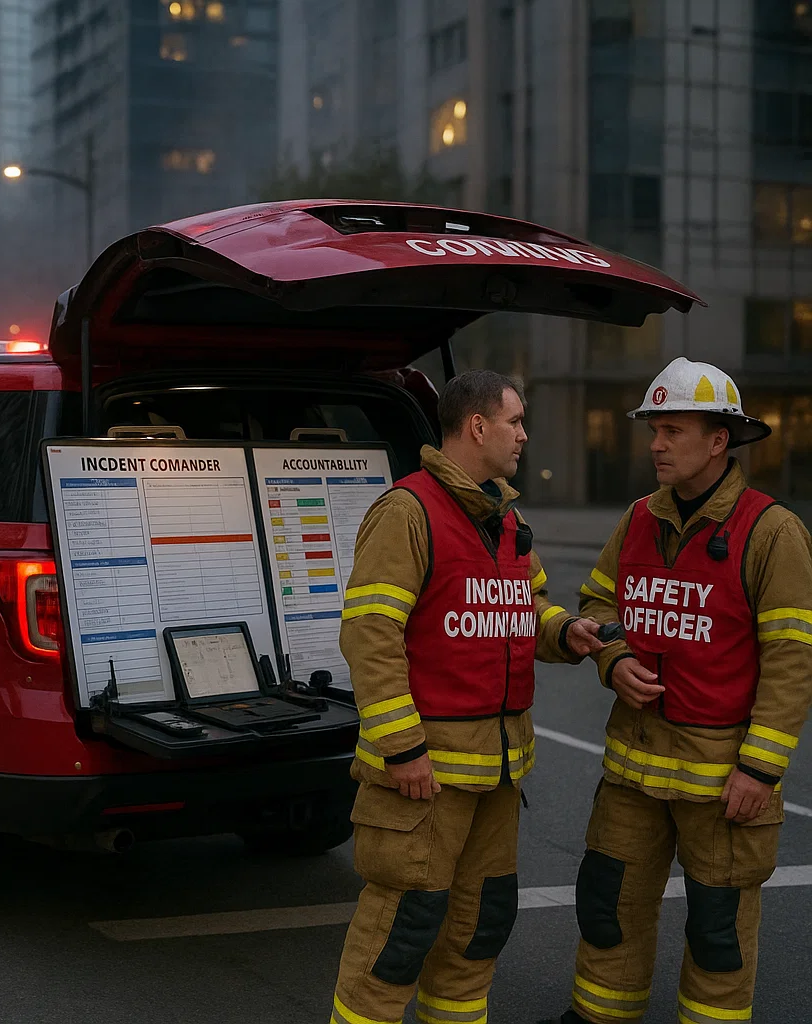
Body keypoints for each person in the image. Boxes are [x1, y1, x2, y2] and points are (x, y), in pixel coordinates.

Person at [329, 369, 604, 1024]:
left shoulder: (507, 517)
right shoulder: (408, 512)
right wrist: (403, 750)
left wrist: (565, 632)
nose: (524, 435)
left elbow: (525, 605)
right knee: (401, 931)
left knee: (481, 923)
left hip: (497, 771)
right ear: (477, 427)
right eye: (515, 421)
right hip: (426, 775)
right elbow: (371, 635)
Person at [548, 357, 812, 1024]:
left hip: (722, 784)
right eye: (654, 431)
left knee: (718, 933)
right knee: (608, 907)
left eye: (672, 431)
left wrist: (759, 769)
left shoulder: (772, 533)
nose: (656, 445)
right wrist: (612, 657)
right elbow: (598, 601)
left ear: (719, 440)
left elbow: (791, 662)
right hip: (631, 773)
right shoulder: (639, 517)